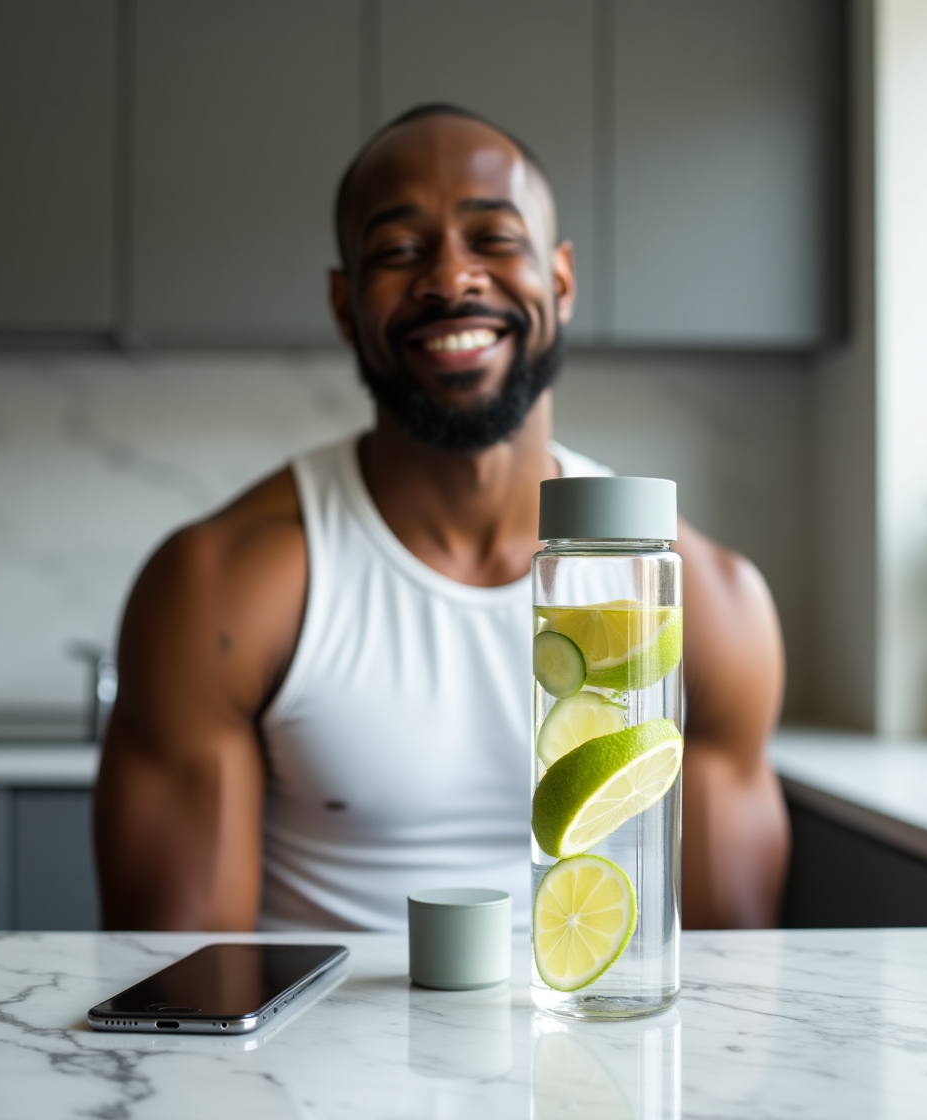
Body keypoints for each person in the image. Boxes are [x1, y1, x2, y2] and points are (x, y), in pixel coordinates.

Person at [94, 104, 789, 933]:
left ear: (560, 282)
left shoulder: (707, 601)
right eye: (398, 251)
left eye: (493, 238)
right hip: (310, 1062)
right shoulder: (220, 586)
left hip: (594, 1056)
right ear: (344, 304)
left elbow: (731, 994)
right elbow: (183, 990)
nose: (451, 278)